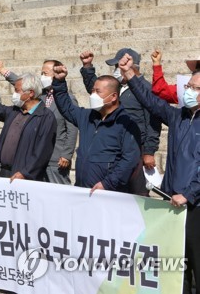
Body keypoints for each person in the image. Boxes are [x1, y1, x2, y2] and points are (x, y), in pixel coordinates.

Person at [120, 53, 200, 294]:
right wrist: (130, 75)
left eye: (194, 88)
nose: (188, 91)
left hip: (194, 204)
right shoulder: (179, 117)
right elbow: (151, 101)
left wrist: (189, 193)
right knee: (177, 265)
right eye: (187, 86)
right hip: (172, 201)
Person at [80, 48, 161, 195]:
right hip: (116, 146)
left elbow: (153, 123)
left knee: (137, 192)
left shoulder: (145, 89)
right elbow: (97, 90)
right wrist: (87, 68)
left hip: (136, 148)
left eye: (118, 66)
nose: (116, 70)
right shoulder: (118, 87)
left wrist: (149, 151)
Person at [52, 65, 141, 193]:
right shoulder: (87, 116)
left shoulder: (127, 123)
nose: (93, 95)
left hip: (108, 192)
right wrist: (59, 82)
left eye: (98, 92)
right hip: (83, 189)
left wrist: (107, 184)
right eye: (92, 91)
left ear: (114, 96)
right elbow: (67, 108)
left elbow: (129, 160)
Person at [0, 59, 78, 184]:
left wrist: (67, 154)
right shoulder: (40, 96)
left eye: (46, 73)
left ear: (57, 74)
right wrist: (2, 71)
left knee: (57, 190)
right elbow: (21, 84)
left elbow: (72, 127)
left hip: (55, 157)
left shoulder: (67, 99)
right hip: (37, 155)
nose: (42, 77)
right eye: (41, 73)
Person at [0, 72, 57, 181]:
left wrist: (25, 173)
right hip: (4, 172)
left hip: (24, 177)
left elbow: (42, 151)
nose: (14, 94)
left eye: (17, 91)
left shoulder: (45, 117)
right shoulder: (15, 111)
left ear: (30, 93)